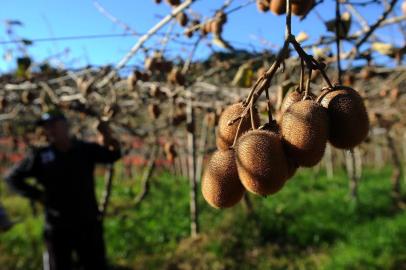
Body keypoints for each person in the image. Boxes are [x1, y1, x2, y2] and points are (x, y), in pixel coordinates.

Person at [4, 109, 121, 270]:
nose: (50, 130)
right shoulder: (42, 156)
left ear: (65, 126)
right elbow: (12, 177)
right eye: (46, 127)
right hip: (58, 226)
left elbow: (112, 156)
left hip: (87, 223)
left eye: (53, 125)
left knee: (95, 264)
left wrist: (107, 135)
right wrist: (37, 195)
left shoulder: (84, 149)